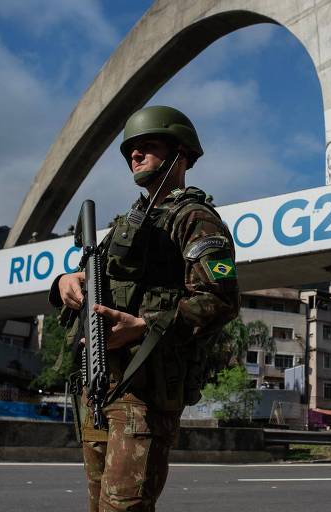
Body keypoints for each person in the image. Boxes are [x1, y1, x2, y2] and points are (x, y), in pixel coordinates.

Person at [49, 105, 240, 511]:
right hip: (101, 382)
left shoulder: (195, 219)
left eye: (147, 146)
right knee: (98, 504)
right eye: (130, 149)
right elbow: (93, 281)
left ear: (181, 154)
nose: (134, 155)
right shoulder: (127, 222)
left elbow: (221, 298)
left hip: (146, 388)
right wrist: (64, 284)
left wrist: (145, 326)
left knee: (124, 506)